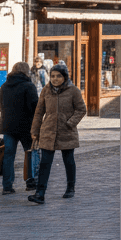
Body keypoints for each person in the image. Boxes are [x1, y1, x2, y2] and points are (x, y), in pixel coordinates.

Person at [28, 64, 86, 204]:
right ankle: (40, 193)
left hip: (67, 131)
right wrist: (35, 131)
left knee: (68, 161)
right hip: (48, 131)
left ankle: (70, 187)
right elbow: (39, 112)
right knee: (45, 163)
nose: (55, 79)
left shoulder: (73, 91)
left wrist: (70, 123)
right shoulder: (46, 90)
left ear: (64, 77)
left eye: (58, 76)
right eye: (52, 76)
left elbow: (81, 109)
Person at [0, 61, 38, 195]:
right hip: (26, 126)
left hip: (8, 125)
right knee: (30, 153)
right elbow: (34, 107)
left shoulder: (4, 86)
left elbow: (1, 106)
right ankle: (30, 182)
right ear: (26, 71)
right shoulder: (28, 86)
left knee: (9, 156)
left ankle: (7, 186)